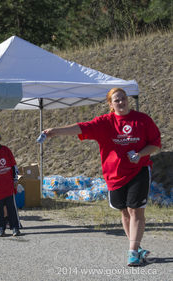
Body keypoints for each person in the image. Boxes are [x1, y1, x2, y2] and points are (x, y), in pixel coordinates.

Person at [43, 88, 161, 266]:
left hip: (139, 171)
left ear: (127, 100)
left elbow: (155, 144)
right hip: (114, 175)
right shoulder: (105, 122)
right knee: (124, 211)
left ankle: (133, 252)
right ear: (110, 104)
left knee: (135, 210)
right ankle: (136, 246)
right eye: (117, 100)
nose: (121, 103)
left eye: (123, 99)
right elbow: (82, 127)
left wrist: (140, 154)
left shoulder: (142, 120)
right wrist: (55, 131)